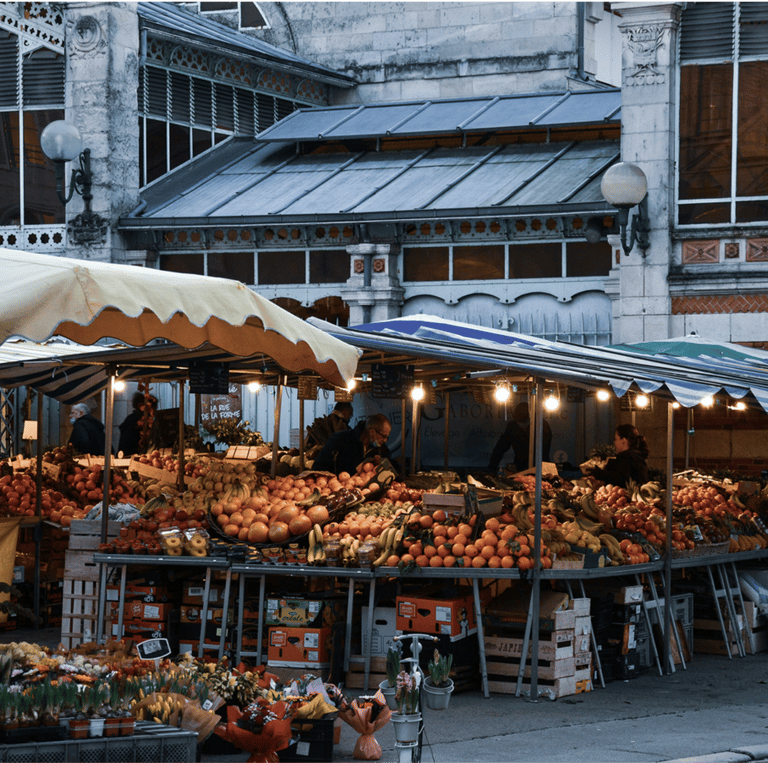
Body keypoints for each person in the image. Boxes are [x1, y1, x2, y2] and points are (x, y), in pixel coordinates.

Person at [312, 412, 392, 475]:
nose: (385, 440)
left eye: (387, 437)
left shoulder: (383, 451)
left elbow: (391, 475)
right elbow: (318, 468)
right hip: (338, 491)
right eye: (383, 436)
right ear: (372, 432)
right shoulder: (339, 440)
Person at [488, 402, 552, 474]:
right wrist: (492, 468)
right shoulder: (512, 426)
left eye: (525, 423)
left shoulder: (542, 426)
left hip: (540, 467)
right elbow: (500, 448)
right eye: (519, 423)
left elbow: (544, 451)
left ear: (531, 418)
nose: (522, 426)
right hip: (520, 467)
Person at [585, 424, 649, 488]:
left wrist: (596, 471)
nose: (614, 442)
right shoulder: (637, 455)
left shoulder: (625, 458)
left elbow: (617, 480)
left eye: (616, 439)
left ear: (623, 441)